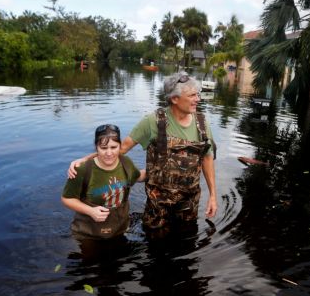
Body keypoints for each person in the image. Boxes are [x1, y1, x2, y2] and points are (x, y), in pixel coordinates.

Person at [68, 71, 217, 234]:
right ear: (174, 99)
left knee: (187, 239)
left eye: (198, 94)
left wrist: (213, 196)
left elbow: (207, 159)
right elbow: (121, 148)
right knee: (154, 244)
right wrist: (85, 160)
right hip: (158, 204)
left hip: (189, 202)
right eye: (192, 95)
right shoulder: (153, 121)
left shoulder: (202, 123)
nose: (198, 99)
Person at [61, 124, 145, 239]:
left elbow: (139, 176)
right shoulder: (82, 169)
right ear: (96, 147)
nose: (109, 153)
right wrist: (91, 211)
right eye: (104, 148)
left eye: (114, 147)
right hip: (90, 234)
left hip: (120, 229)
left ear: (120, 146)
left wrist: (160, 170)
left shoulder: (126, 162)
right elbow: (67, 199)